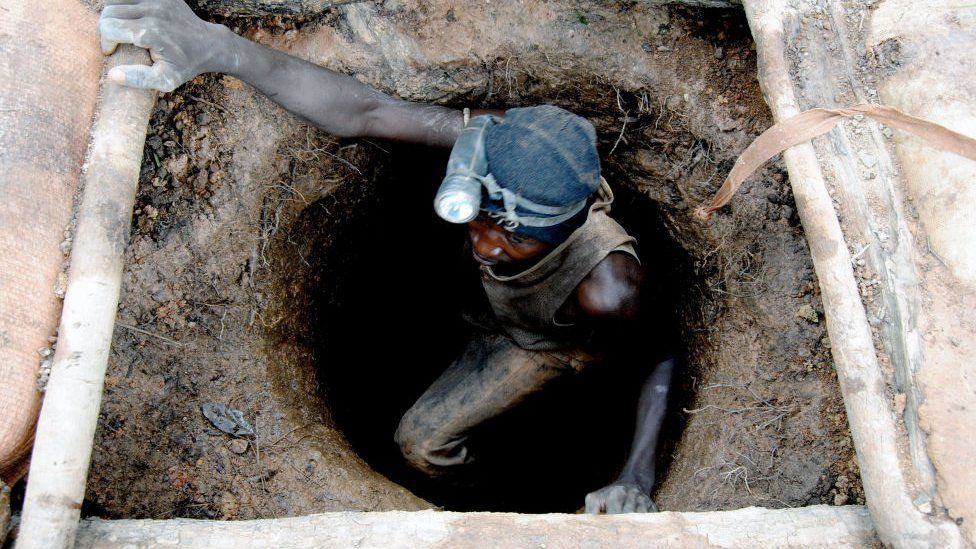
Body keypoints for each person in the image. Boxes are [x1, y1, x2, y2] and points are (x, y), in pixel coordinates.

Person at [98, 0, 676, 513]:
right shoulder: (502, 143)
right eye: (477, 214)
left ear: (566, 228)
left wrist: (635, 475)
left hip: (547, 341)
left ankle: (500, 501)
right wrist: (220, 46)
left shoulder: (608, 287)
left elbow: (657, 356)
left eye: (514, 239)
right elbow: (367, 113)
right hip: (491, 304)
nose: (485, 243)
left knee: (423, 446)